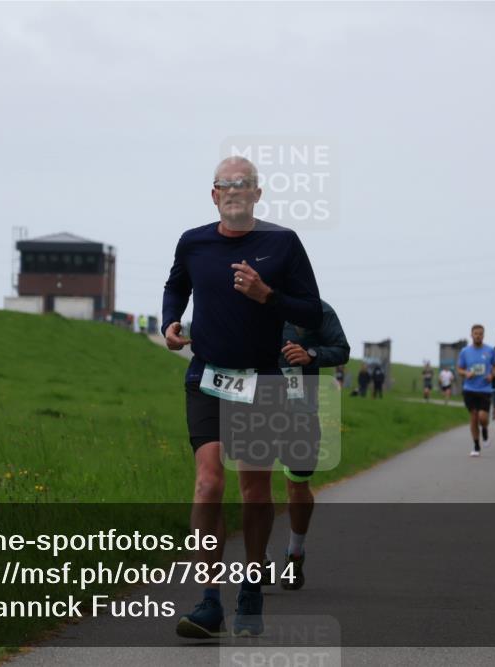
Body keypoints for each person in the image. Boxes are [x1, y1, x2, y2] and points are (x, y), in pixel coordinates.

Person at [162, 156, 322, 639]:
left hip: (262, 382)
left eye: (243, 184)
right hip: (207, 376)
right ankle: (209, 600)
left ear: (257, 193)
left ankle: (251, 587)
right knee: (208, 484)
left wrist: (267, 295)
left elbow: (311, 311)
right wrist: (170, 321)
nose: (234, 191)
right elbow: (176, 285)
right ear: (213, 195)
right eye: (225, 185)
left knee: (254, 491)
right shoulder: (194, 241)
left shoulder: (282, 244)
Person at [276, 299, 350, 591]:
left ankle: (295, 552)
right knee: (253, 482)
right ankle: (260, 561)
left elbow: (342, 350)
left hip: (301, 410)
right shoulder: (250, 301)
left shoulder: (317, 309)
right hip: (257, 405)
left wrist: (311, 354)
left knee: (297, 484)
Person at [457, 324, 495, 457]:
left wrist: (492, 375)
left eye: (480, 333)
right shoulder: (465, 351)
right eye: (476, 333)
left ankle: (485, 429)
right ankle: (476, 445)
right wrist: (466, 373)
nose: (478, 336)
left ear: (483, 335)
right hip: (469, 389)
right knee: (474, 416)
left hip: (485, 389)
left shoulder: (490, 350)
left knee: (483, 417)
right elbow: (459, 368)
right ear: (471, 335)